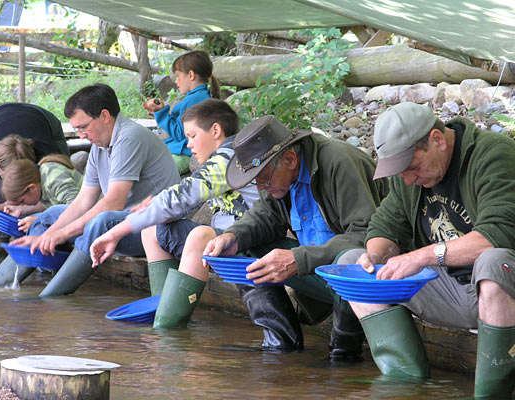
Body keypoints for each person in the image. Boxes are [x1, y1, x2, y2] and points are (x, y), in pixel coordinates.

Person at [336, 102, 515, 398]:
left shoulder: (493, 154)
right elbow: (384, 226)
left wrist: (421, 256)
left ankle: (491, 393)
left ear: (437, 140)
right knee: (352, 262)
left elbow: (497, 235)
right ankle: (406, 384)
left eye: (413, 169)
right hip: (450, 290)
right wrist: (375, 256)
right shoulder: (407, 174)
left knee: (493, 262)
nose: (407, 179)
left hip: (502, 288)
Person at [203, 115, 388, 356]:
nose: (260, 188)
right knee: (241, 248)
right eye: (255, 181)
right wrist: (231, 237)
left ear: (289, 159)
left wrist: (298, 259)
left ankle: (343, 354)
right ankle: (280, 347)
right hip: (321, 274)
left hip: (373, 277)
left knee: (350, 261)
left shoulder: (340, 162)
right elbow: (266, 216)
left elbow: (367, 236)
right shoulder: (278, 174)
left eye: (262, 179)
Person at [0, 83, 180, 296]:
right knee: (50, 214)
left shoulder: (129, 137)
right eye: (77, 129)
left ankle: (48, 298)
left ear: (104, 116)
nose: (81, 135)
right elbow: (83, 201)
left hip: (153, 229)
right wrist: (48, 235)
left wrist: (62, 234)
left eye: (83, 127)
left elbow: (113, 203)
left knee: (101, 221)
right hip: (123, 223)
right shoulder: (99, 146)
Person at [90, 99, 259, 328]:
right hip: (229, 239)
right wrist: (156, 211)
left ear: (216, 130)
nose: (188, 144)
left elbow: (182, 196)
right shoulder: (224, 158)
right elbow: (180, 203)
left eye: (192, 136)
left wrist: (115, 233)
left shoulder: (229, 159)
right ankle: (161, 311)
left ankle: (167, 332)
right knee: (152, 229)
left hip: (247, 240)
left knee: (200, 236)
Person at [0, 103, 69, 270]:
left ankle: (45, 261)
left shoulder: (49, 157)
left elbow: (66, 200)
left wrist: (39, 216)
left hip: (43, 121)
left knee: (47, 197)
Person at [143, 50, 219, 174]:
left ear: (191, 75)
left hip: (184, 154)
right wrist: (160, 112)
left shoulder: (193, 100)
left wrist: (162, 114)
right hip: (183, 151)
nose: (176, 81)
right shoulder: (199, 97)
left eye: (178, 76)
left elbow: (179, 133)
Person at [0, 151, 84, 233]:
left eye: (22, 201)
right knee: (26, 220)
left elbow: (77, 209)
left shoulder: (54, 178)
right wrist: (19, 209)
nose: (22, 204)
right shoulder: (39, 180)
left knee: (37, 227)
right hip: (77, 218)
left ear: (32, 188)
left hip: (89, 219)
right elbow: (48, 204)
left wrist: (38, 220)